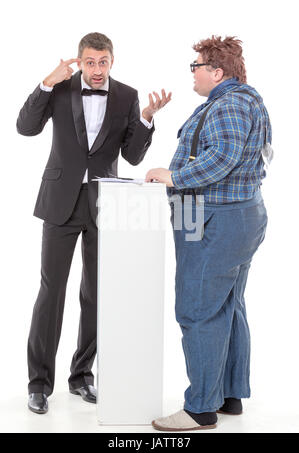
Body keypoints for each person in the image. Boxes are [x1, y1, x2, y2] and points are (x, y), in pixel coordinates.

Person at [17, 32, 171, 415]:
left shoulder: (127, 96)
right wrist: (44, 83)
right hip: (59, 204)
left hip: (106, 204)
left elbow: (133, 157)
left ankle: (82, 375)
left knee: (97, 294)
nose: (97, 70)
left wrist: (147, 119)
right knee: (51, 291)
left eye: (103, 62)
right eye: (90, 62)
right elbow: (25, 127)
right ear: (79, 61)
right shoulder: (60, 88)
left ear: (112, 61)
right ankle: (39, 383)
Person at [146, 35, 271, 431]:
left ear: (217, 72)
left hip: (215, 218)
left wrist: (173, 177)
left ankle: (200, 407)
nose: (192, 75)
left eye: (195, 67)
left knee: (198, 311)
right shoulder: (244, 101)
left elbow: (223, 158)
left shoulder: (230, 104)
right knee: (227, 306)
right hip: (229, 215)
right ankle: (228, 395)